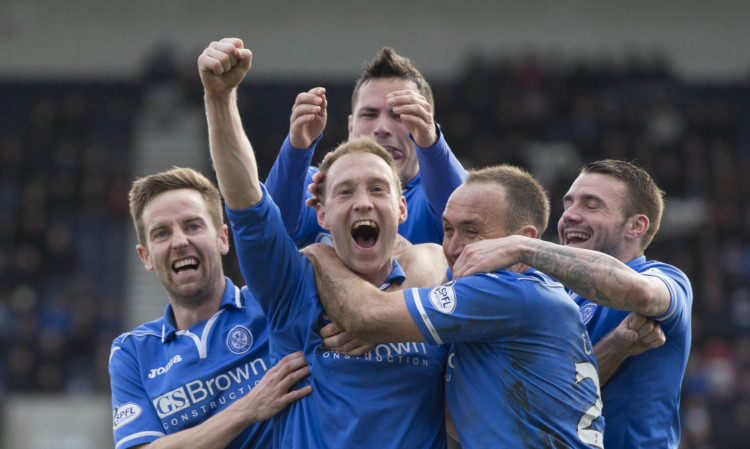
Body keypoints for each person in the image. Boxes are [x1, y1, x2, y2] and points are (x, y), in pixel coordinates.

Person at [199, 38, 450, 448]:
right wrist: (220, 98)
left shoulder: (440, 293)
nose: (363, 202)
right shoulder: (292, 287)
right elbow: (245, 195)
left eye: (377, 189)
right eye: (345, 192)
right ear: (320, 213)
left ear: (403, 209)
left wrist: (387, 310)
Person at [305, 164, 607, 448]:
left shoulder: (504, 293)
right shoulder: (514, 291)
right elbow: (432, 257)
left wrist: (320, 253)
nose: (453, 247)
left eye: (471, 232)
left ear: (521, 242)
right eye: (448, 229)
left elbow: (365, 315)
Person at [451, 159, 692, 449]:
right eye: (568, 204)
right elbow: (551, 401)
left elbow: (641, 294)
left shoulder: (664, 277)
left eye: (591, 205)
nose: (570, 216)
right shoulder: (551, 295)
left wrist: (522, 246)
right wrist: (615, 348)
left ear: (636, 226)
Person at [108, 167, 312, 449]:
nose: (180, 242)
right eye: (162, 233)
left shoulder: (272, 304)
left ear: (223, 238)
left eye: (193, 226)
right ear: (146, 256)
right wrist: (247, 409)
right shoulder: (133, 352)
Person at [265, 46, 466, 248]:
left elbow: (463, 212)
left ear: (426, 127)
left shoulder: (435, 195)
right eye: (369, 115)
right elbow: (269, 230)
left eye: (399, 115)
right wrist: (296, 149)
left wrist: (432, 145)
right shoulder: (318, 186)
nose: (381, 128)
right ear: (351, 127)